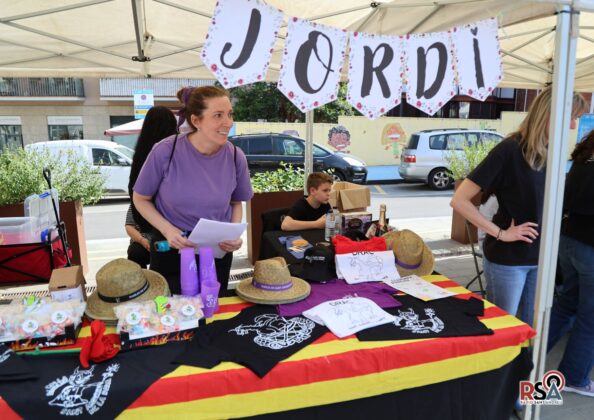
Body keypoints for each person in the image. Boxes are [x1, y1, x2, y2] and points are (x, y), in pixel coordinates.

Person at [450, 86, 587, 328]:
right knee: (503, 330)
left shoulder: (550, 153)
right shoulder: (510, 149)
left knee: (527, 331)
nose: (573, 126)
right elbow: (459, 200)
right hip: (509, 260)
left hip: (540, 259)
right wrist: (501, 233)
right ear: (550, 113)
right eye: (571, 117)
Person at [133, 86, 253, 294]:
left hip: (216, 252)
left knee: (212, 308)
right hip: (172, 249)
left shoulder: (236, 156)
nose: (228, 122)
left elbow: (236, 202)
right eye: (218, 115)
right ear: (196, 120)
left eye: (230, 114)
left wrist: (233, 232)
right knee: (171, 310)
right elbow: (140, 198)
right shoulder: (165, 151)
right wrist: (168, 230)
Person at [547, 131, 594, 396]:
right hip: (589, 248)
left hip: (569, 241)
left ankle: (525, 359)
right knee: (589, 318)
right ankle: (573, 377)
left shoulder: (582, 160)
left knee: (566, 305)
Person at [125, 106, 177, 267]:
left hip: (148, 226)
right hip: (175, 229)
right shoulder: (176, 151)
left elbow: (136, 197)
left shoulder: (140, 156)